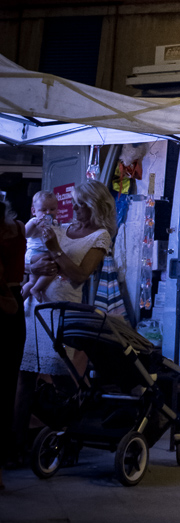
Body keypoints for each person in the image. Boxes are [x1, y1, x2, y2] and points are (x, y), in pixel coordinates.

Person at [15, 181, 116, 448]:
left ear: (95, 205)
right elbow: (31, 255)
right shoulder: (61, 228)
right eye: (73, 202)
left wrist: (55, 250)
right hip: (33, 308)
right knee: (24, 376)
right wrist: (34, 262)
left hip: (61, 310)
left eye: (81, 204)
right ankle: (15, 444)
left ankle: (73, 432)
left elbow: (80, 275)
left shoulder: (100, 236)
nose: (74, 207)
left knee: (61, 376)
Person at [0, 193, 27, 488]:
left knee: (9, 382)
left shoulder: (20, 229)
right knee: (8, 383)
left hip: (9, 301)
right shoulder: (20, 228)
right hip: (14, 301)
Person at [21, 191, 61, 300]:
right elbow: (24, 234)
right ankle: (36, 289)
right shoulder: (33, 221)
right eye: (43, 210)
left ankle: (29, 293)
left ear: (57, 209)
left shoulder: (56, 223)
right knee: (54, 262)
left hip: (45, 254)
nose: (48, 212)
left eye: (52, 209)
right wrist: (34, 224)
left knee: (35, 279)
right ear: (34, 211)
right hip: (34, 254)